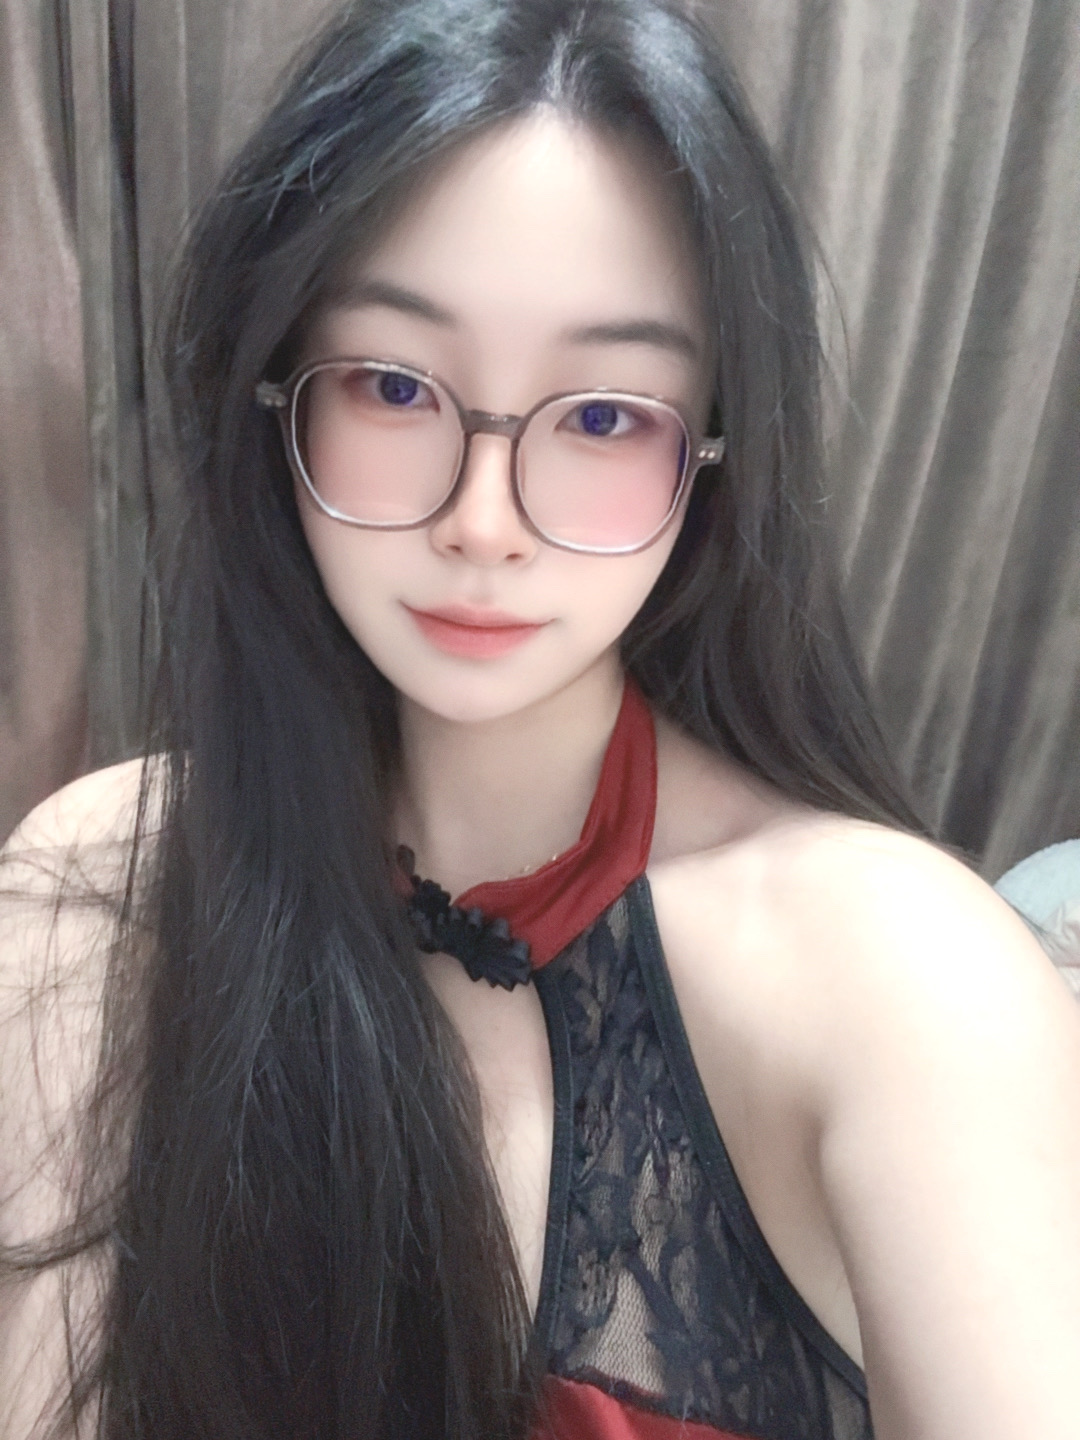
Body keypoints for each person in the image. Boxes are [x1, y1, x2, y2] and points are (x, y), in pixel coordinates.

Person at [2, 1, 1078, 1437]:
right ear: (276, 405)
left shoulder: (905, 976)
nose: (483, 521)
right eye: (394, 386)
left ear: (714, 458)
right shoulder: (97, 890)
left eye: (603, 417)